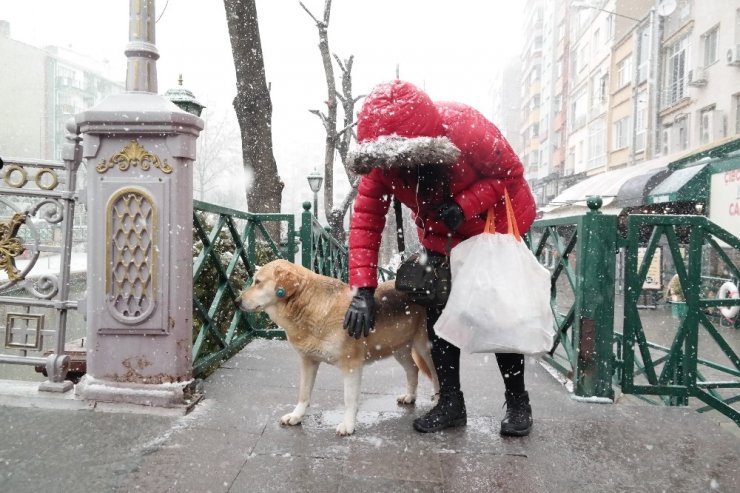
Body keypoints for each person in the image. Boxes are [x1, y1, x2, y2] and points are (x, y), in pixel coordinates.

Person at [342, 80, 537, 435]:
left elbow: (511, 174)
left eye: (407, 161)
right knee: (438, 310)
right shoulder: (382, 159)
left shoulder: (465, 129)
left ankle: (518, 401)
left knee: (500, 315)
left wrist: (465, 205)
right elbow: (367, 220)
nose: (395, 170)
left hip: (494, 227)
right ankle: (450, 402)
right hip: (441, 232)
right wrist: (363, 289)